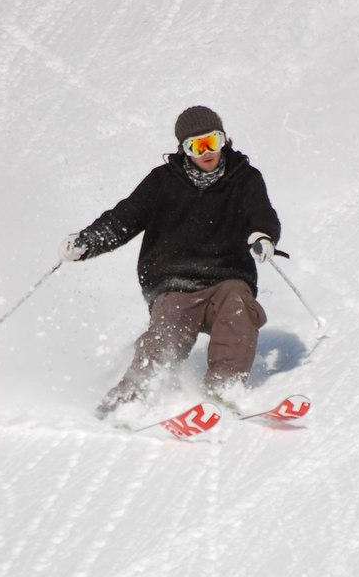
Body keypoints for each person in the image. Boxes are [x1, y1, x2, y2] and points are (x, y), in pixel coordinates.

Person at [58, 105, 282, 417]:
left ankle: (224, 386)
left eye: (212, 142)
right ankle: (130, 398)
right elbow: (124, 218)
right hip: (174, 283)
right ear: (183, 149)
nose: (207, 152)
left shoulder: (244, 178)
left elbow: (262, 214)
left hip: (228, 278)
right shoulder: (163, 182)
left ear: (224, 140)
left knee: (238, 307)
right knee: (168, 330)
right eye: (196, 146)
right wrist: (88, 241)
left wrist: (263, 236)